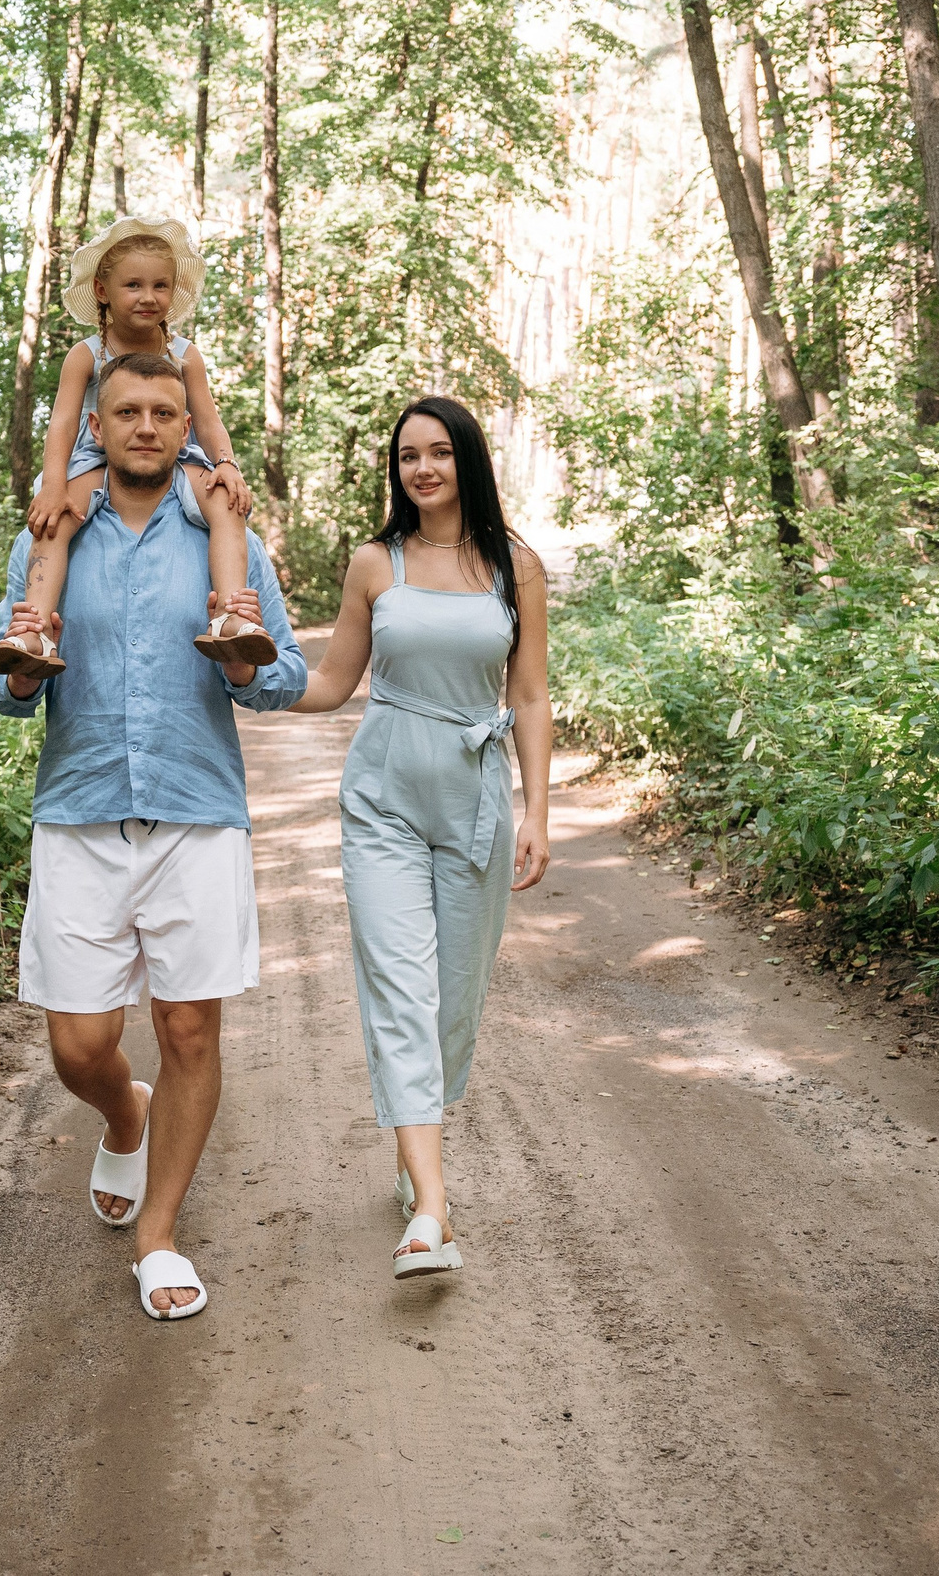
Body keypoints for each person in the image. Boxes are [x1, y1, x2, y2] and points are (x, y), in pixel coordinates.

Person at [0, 349, 306, 1319]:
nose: (149, 425)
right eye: (128, 410)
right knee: (79, 1046)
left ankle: (159, 1238)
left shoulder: (223, 531)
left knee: (188, 1027)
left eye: (166, 410)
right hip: (78, 811)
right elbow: (0, 687)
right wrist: (30, 667)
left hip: (196, 812)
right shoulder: (53, 532)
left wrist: (244, 662)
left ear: (185, 424)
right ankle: (127, 1112)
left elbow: (280, 675)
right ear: (99, 425)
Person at [290, 396, 551, 1277]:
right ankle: (431, 1211)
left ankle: (416, 1160)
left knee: (454, 998)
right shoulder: (377, 561)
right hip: (385, 795)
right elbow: (331, 681)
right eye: (408, 456)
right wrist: (247, 677)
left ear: (466, 460)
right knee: (401, 987)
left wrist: (540, 814)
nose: (423, 468)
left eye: (439, 453)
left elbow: (529, 697)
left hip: (476, 794)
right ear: (395, 469)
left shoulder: (517, 565)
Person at [0, 216, 269, 681]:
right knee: (58, 519)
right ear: (102, 289)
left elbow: (208, 420)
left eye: (160, 286)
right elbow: (61, 424)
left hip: (176, 458)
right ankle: (32, 632)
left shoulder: (184, 354)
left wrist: (226, 464)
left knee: (225, 501)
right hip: (96, 459)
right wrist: (54, 485)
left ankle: (231, 617)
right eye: (133, 285)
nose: (148, 297)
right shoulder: (87, 354)